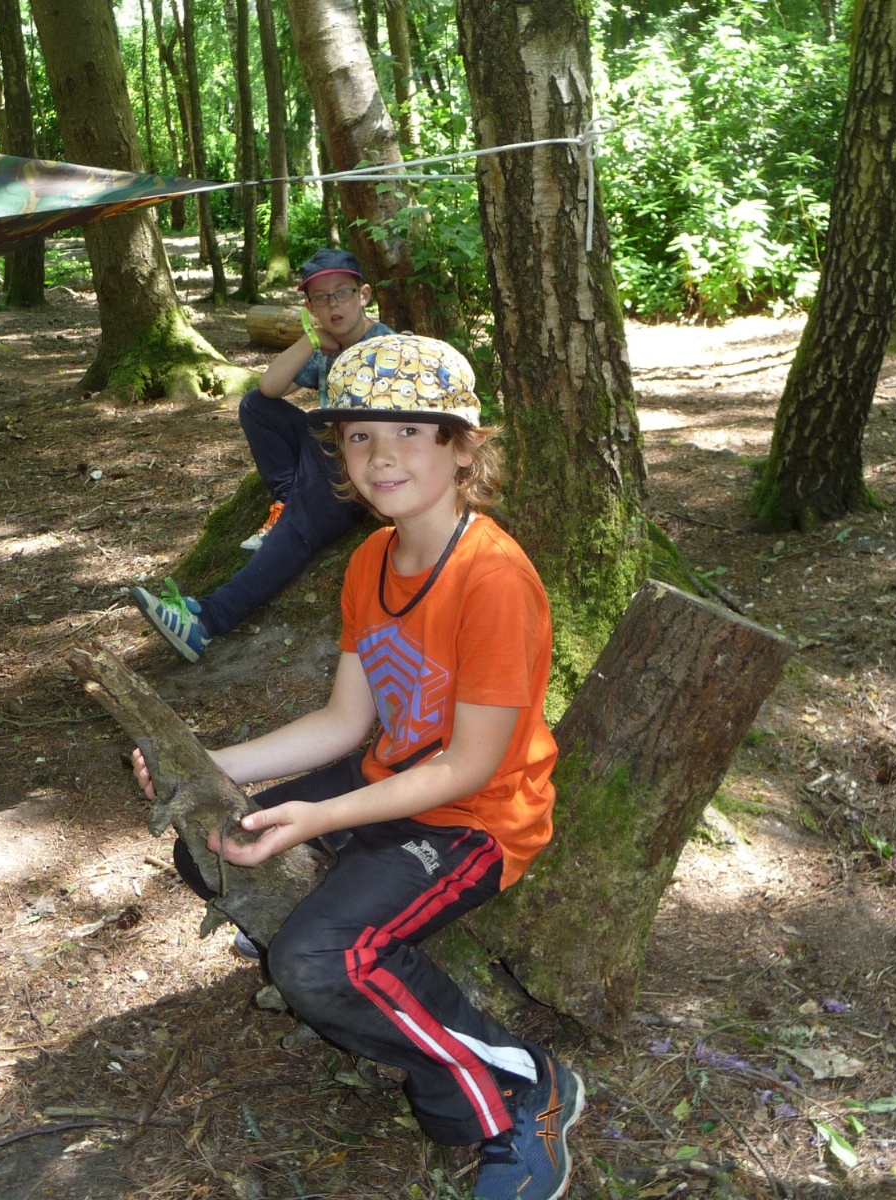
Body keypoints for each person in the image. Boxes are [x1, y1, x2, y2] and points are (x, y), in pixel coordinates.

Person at [131, 334, 583, 1200]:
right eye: (359, 436)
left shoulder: (492, 578)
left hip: (475, 819)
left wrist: (322, 819)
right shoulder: (371, 560)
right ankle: (347, 960)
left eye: (410, 431)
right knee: (209, 844)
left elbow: (468, 768)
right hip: (384, 781)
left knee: (316, 961)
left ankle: (522, 1088)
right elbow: (343, 722)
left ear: (462, 447)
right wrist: (203, 764)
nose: (382, 456)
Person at [131, 248, 392, 662]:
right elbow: (270, 389)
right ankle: (288, 500)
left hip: (361, 473)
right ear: (310, 308)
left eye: (342, 293)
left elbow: (386, 432)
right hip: (327, 453)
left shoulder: (383, 346)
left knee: (301, 515)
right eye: (320, 298)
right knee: (255, 405)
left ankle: (206, 623)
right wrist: (311, 340)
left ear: (363, 295)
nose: (333, 305)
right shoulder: (325, 348)